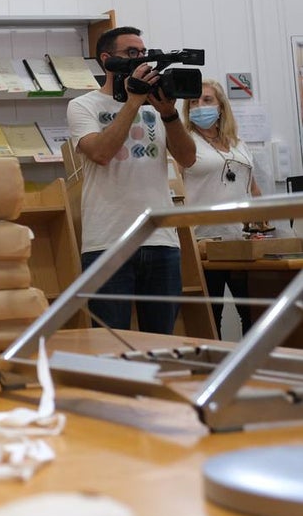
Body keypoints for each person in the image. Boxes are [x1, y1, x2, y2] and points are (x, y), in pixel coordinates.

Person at [67, 26, 196, 334]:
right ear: (107, 60)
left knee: (161, 341)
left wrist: (169, 115)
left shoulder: (156, 105)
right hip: (108, 242)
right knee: (111, 342)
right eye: (132, 53)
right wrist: (134, 102)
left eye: (143, 52)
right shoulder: (83, 106)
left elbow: (188, 159)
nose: (142, 59)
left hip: (161, 241)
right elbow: (100, 152)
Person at [180, 78, 262, 337]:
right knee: (209, 320)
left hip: (240, 242)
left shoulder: (237, 143)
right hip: (203, 244)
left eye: (206, 100)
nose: (199, 106)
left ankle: (253, 371)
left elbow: (253, 189)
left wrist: (262, 226)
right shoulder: (184, 143)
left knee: (253, 317)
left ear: (221, 107)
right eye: (194, 101)